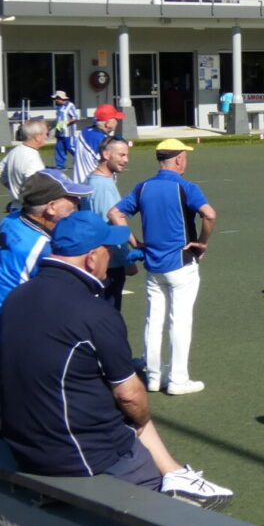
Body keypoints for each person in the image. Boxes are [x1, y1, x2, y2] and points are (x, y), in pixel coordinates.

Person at [0, 211, 233, 508]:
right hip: (75, 455)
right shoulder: (96, 313)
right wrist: (139, 421)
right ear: (92, 257)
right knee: (139, 435)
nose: (113, 255)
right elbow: (129, 396)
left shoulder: (15, 298)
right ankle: (171, 484)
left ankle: (176, 472)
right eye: (109, 249)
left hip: (19, 442)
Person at [108, 139, 215, 396]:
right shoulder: (186, 187)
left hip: (153, 266)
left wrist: (135, 242)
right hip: (181, 265)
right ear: (178, 159)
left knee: (153, 320)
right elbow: (209, 214)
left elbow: (115, 213)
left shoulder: (143, 187)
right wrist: (202, 243)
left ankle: (154, 377)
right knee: (180, 321)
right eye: (185, 157)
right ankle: (178, 379)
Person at [0, 170, 91, 372]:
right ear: (51, 207)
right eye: (70, 198)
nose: (76, 203)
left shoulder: (10, 221)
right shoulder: (42, 249)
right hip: (16, 346)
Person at [83, 136, 138, 312]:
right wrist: (127, 258)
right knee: (109, 313)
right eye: (121, 155)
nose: (126, 160)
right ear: (106, 154)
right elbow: (113, 223)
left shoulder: (91, 180)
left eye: (127, 155)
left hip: (96, 259)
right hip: (108, 264)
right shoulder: (103, 186)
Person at [0, 119, 49, 206]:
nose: (47, 137)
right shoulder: (33, 158)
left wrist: (15, 189)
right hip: (29, 209)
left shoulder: (15, 151)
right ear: (37, 137)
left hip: (16, 206)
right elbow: (37, 188)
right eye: (46, 134)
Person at [71, 104, 123, 184]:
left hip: (79, 184)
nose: (118, 121)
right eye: (116, 119)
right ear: (107, 124)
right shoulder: (103, 140)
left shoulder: (84, 131)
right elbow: (108, 167)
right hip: (95, 186)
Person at [52, 90, 78, 170]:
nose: (56, 100)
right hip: (59, 132)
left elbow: (75, 117)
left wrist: (65, 122)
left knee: (71, 148)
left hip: (68, 132)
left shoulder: (70, 105)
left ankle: (80, 163)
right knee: (59, 149)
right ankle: (60, 166)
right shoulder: (58, 107)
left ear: (62, 98)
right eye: (55, 98)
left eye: (57, 98)